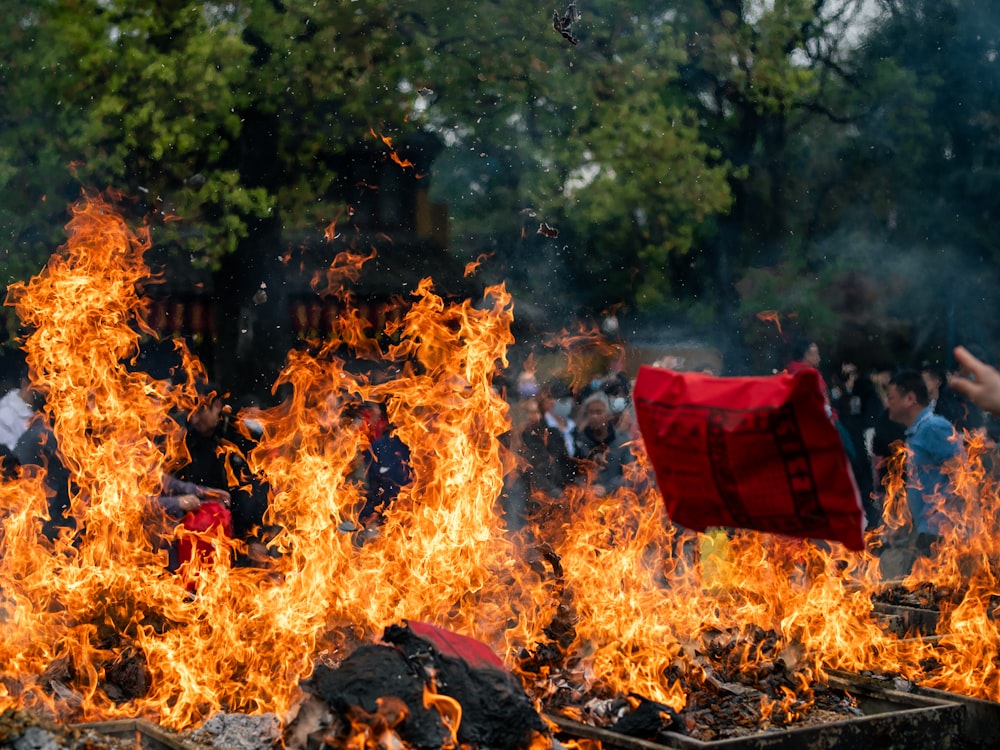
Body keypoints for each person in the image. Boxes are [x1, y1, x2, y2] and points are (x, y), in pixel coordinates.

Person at [881, 369, 962, 574]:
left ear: (910, 399)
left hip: (943, 533)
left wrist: (971, 529)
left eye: (891, 397)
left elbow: (962, 476)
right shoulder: (916, 433)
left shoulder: (933, 427)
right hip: (928, 531)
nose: (887, 402)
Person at [520, 381, 578, 498]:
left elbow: (576, 464)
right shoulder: (538, 431)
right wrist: (553, 491)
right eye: (559, 399)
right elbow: (534, 467)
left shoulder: (575, 429)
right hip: (546, 498)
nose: (564, 403)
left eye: (566, 398)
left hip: (571, 496)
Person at [573, 391, 635, 496]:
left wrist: (607, 488)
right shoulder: (579, 441)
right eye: (591, 412)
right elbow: (573, 473)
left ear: (608, 415)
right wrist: (586, 487)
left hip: (616, 500)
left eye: (598, 412)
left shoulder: (622, 440)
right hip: (588, 501)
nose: (594, 416)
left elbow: (630, 473)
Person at [921, 361, 983, 433]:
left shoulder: (949, 406)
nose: (921, 384)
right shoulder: (919, 405)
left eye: (925, 380)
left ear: (937, 382)